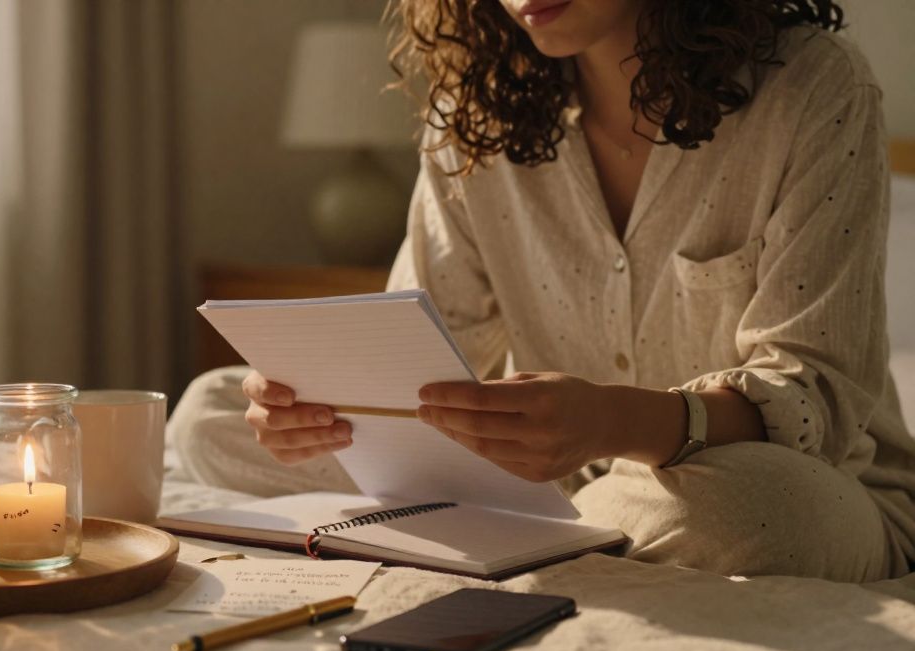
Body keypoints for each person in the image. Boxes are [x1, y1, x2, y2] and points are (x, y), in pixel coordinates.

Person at [169, 0, 915, 582]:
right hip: (552, 478)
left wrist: (614, 421)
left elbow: (815, 397)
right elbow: (414, 361)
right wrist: (316, 404)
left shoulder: (813, 88)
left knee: (745, 507)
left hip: (805, 485)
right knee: (208, 415)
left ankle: (529, 531)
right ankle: (545, 530)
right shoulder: (473, 122)